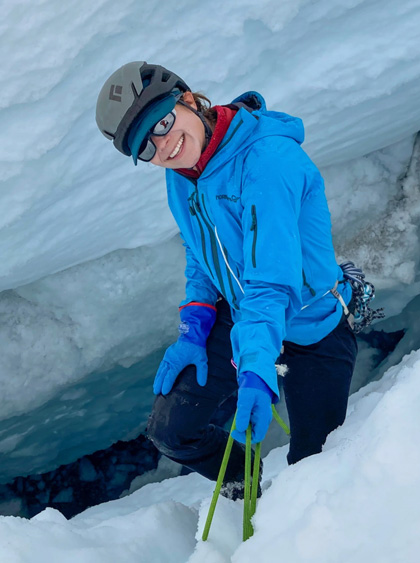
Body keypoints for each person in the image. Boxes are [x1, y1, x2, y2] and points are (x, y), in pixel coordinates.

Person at [95, 61, 359, 494]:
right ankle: (249, 491)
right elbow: (201, 251)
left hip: (310, 326)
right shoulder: (184, 173)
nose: (163, 146)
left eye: (162, 123)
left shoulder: (267, 162)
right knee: (171, 430)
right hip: (245, 315)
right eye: (146, 148)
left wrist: (255, 370)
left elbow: (270, 284)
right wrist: (195, 323)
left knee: (316, 474)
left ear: (186, 99)